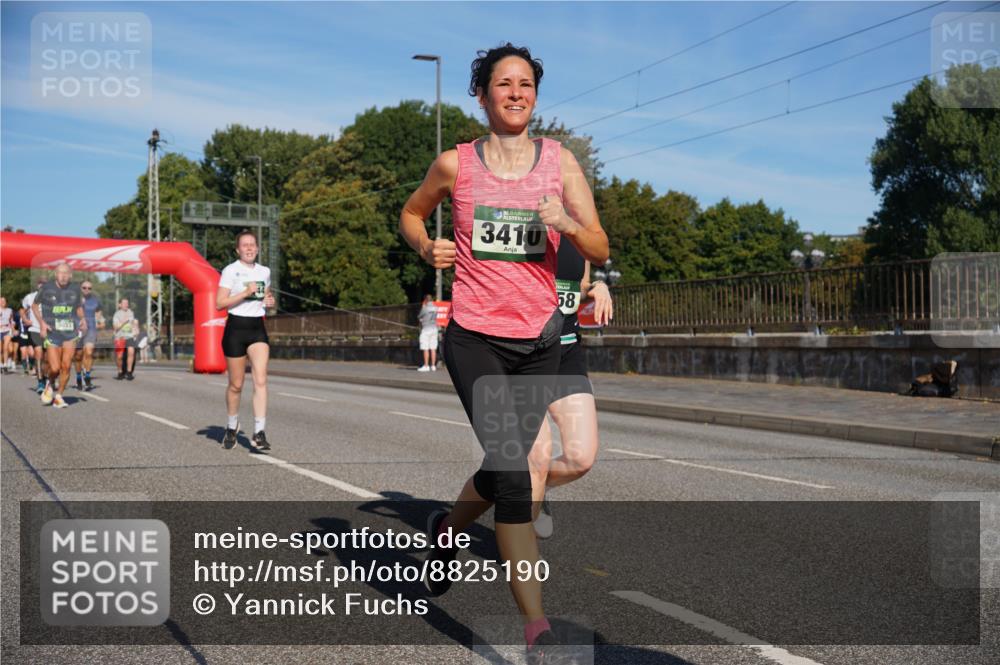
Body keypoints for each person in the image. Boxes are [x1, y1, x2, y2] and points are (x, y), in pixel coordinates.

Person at [399, 43, 608, 662]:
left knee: (508, 467)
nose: (515, 93)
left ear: (535, 96)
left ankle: (447, 528)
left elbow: (597, 242)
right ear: (482, 95)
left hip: (541, 341)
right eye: (503, 84)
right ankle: (537, 630)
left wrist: (568, 226)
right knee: (517, 478)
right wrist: (425, 245)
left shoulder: (561, 164)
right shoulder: (455, 165)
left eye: (525, 85)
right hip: (476, 339)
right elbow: (412, 214)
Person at [527, 241, 614, 539]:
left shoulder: (580, 233)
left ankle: (537, 486)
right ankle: (519, 542)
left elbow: (580, 284)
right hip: (526, 355)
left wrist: (597, 288)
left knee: (581, 458)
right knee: (535, 458)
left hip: (566, 353)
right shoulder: (524, 220)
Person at [216, 230, 274, 451]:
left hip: (257, 328)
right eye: (244, 245)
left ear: (258, 248)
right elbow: (219, 303)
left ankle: (259, 432)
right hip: (236, 329)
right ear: (237, 249)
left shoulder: (264, 271)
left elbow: (265, 298)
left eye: (252, 245)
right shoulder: (231, 271)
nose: (249, 248)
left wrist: (270, 301)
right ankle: (232, 426)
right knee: (236, 384)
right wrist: (244, 292)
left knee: (261, 380)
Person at [32, 263, 86, 408]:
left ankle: (59, 396)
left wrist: (83, 319)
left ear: (71, 275)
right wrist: (42, 323)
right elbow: (34, 306)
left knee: (67, 366)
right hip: (52, 332)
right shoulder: (46, 288)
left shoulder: (75, 289)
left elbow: (79, 307)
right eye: (60, 273)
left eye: (66, 273)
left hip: (70, 332)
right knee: (55, 368)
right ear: (55, 274)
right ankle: (49, 382)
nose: (63, 276)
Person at [72, 280, 103, 390]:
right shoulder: (74, 299)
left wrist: (97, 319)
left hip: (91, 329)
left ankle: (88, 376)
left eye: (89, 288)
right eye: (84, 287)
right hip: (77, 330)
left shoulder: (95, 300)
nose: (87, 290)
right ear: (80, 288)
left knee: (89, 352)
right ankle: (79, 377)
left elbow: (99, 310)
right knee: (78, 356)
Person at [22, 279, 47, 393]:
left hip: (48, 331)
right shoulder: (30, 297)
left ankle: (46, 378)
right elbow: (22, 310)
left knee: (47, 359)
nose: (42, 285)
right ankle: (40, 382)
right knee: (38, 354)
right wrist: (25, 319)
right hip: (35, 329)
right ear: (38, 285)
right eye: (40, 283)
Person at [112, 298, 138, 380]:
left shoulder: (131, 313)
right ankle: (120, 372)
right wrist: (125, 321)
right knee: (119, 357)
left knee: (131, 352)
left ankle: (129, 372)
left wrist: (136, 329)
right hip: (120, 337)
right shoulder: (117, 314)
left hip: (129, 336)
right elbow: (116, 327)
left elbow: (134, 322)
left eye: (127, 303)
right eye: (124, 303)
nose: (126, 305)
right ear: (120, 305)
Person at [416, 294, 439, 371]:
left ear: (425, 300)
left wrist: (423, 306)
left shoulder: (425, 308)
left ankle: (426, 366)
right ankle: (433, 366)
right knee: (433, 348)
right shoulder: (436, 308)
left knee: (425, 347)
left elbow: (419, 316)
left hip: (426, 329)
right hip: (434, 328)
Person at [0, 296, 12, 373]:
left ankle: (5, 365)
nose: (3, 302)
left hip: (7, 330)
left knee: (6, 348)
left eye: (4, 301)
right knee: (0, 349)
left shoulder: (9, 310)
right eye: (1, 301)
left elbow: (11, 320)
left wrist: (13, 329)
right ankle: (0, 364)